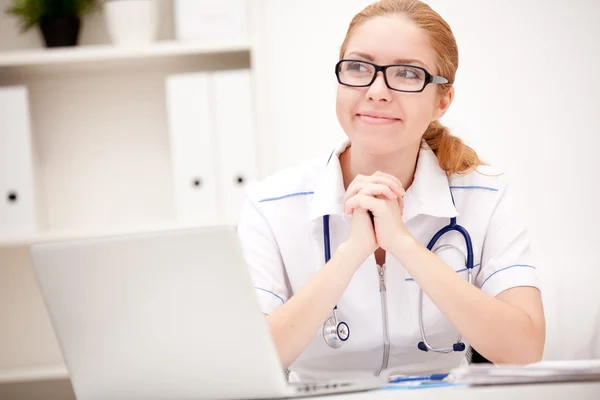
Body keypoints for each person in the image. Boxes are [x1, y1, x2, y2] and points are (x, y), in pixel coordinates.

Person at [237, 0, 545, 382]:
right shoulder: (271, 206)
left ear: (443, 99)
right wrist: (350, 255)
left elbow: (525, 350)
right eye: (358, 68)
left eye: (406, 73)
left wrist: (403, 245)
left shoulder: (484, 196)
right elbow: (248, 361)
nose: (377, 90)